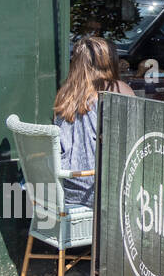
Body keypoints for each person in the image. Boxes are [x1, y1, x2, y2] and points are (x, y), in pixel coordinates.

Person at [53, 36, 136, 208]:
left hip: (65, 188)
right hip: (96, 189)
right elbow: (134, 139)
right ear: (109, 61)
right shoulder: (117, 89)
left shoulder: (64, 94)